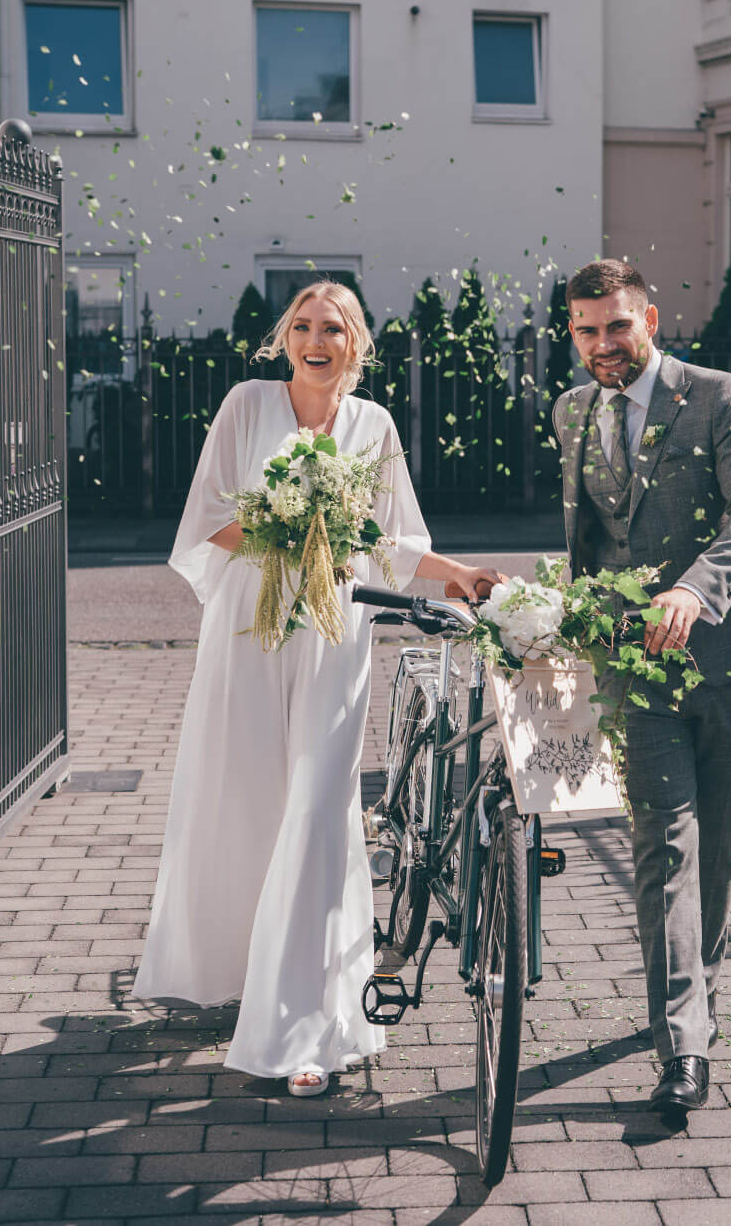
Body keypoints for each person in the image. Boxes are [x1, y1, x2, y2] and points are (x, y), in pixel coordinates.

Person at [132, 280, 500, 1097]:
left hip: (334, 637)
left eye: (331, 326)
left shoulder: (375, 426)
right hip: (248, 635)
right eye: (301, 325)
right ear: (284, 339)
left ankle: (304, 1023)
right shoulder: (245, 404)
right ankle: (245, 972)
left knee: (317, 807)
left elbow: (392, 541)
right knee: (246, 800)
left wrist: (457, 575)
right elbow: (207, 521)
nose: (315, 337)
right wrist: (292, 533)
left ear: (356, 342)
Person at [552, 259, 731, 1116]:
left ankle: (699, 991)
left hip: (725, 653)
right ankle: (683, 1042)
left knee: (719, 845)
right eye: (585, 329)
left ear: (650, 316)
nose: (602, 344)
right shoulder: (571, 410)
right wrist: (562, 620)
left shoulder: (720, 394)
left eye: (616, 325)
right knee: (666, 847)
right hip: (628, 661)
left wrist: (696, 587)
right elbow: (589, 538)